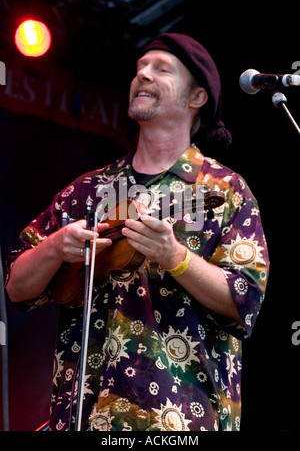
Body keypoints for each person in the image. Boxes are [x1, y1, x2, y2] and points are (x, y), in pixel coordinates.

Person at [5, 33, 269, 431]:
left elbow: (246, 299)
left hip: (182, 419)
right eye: (140, 68)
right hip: (82, 416)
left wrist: (175, 257)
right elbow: (15, 287)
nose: (143, 74)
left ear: (197, 97)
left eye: (161, 69)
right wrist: (56, 247)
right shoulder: (87, 190)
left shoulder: (224, 189)